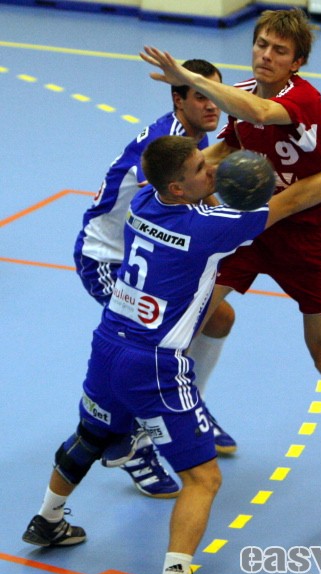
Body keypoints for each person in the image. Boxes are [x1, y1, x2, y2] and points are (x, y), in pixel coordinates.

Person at [22, 133, 321, 574]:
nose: (211, 168)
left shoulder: (144, 202)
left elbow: (191, 176)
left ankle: (48, 518)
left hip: (108, 345)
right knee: (204, 478)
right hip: (155, 364)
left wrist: (222, 151)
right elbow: (294, 200)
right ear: (178, 187)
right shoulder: (207, 229)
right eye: (200, 168)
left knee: (90, 436)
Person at [140, 8, 321, 506]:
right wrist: (169, 183)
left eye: (279, 50)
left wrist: (188, 77)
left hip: (306, 240)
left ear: (297, 62)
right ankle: (173, 415)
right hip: (251, 232)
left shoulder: (302, 100)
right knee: (191, 319)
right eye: (261, 45)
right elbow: (227, 145)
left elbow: (259, 115)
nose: (266, 55)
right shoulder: (243, 94)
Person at [73, 59, 237, 501]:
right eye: (201, 96)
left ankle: (187, 405)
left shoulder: (193, 141)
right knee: (148, 347)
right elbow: (176, 209)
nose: (212, 104)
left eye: (215, 94)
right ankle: (130, 443)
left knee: (218, 319)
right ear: (178, 100)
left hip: (143, 251)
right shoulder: (166, 145)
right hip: (107, 257)